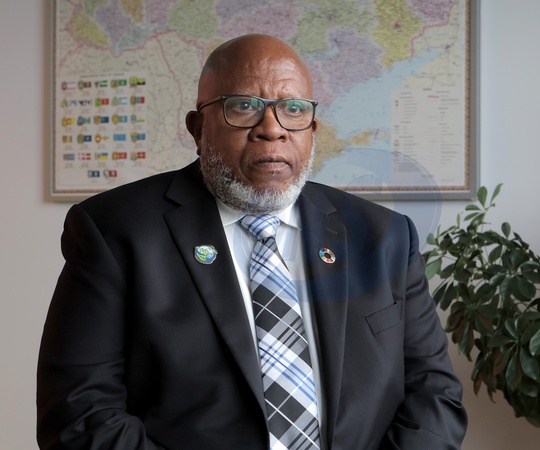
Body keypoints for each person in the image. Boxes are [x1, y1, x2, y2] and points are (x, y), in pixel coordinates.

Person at [37, 34, 467, 449]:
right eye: (243, 106)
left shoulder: (384, 236)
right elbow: (80, 413)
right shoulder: (115, 231)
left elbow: (433, 392)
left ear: (312, 129)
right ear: (197, 128)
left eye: (293, 110)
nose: (272, 129)